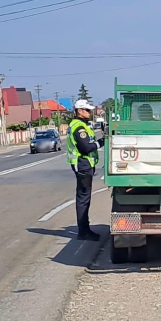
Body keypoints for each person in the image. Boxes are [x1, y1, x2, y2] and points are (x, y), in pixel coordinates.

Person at [67, 99, 104, 241]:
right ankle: (83, 231)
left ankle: (84, 229)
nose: (90, 112)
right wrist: (101, 142)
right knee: (83, 198)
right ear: (79, 111)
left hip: (84, 164)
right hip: (82, 164)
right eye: (87, 110)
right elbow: (85, 147)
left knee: (84, 197)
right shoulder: (79, 127)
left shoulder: (81, 125)